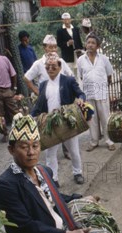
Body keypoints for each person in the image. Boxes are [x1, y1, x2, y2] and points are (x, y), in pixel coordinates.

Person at [31, 53, 86, 186]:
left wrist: (80, 100)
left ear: (60, 67)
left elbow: (81, 93)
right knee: (51, 153)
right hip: (50, 124)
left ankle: (77, 172)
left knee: (73, 150)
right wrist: (30, 117)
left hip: (67, 122)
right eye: (48, 66)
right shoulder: (43, 85)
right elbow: (38, 104)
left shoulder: (68, 80)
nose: (50, 69)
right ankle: (53, 178)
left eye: (53, 66)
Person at [76, 33, 115, 151]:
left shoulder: (104, 59)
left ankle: (109, 140)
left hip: (102, 93)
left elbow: (109, 75)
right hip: (88, 93)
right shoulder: (81, 60)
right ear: (85, 44)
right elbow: (81, 76)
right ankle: (94, 141)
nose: (90, 45)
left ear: (98, 46)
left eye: (93, 43)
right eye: (88, 42)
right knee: (92, 119)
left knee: (105, 118)